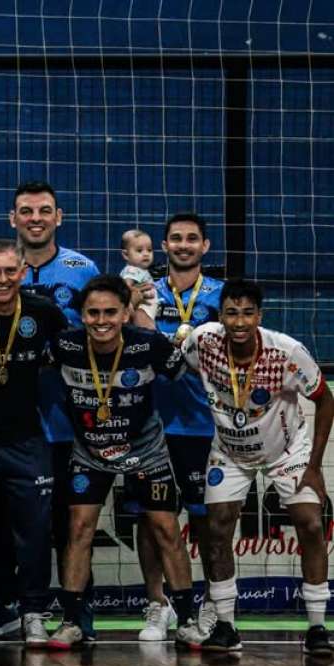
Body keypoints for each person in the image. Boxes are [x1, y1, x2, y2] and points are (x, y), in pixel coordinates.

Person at [0, 180, 102, 641]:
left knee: (67, 522)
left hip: (67, 420)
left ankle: (72, 611)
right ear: (13, 219)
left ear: (58, 217)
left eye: (45, 210)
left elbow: (100, 333)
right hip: (6, 424)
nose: (36, 219)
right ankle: (5, 605)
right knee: (2, 522)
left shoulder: (82, 270)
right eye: (26, 211)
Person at [181, 280, 334, 654]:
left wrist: (313, 467)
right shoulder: (203, 342)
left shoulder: (288, 352)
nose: (239, 322)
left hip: (287, 449)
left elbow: (326, 400)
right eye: (231, 313)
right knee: (215, 529)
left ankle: (316, 628)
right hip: (230, 451)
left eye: (247, 313)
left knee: (312, 524)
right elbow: (179, 353)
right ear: (221, 316)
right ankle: (226, 627)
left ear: (259, 316)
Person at [45, 276, 198, 649]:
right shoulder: (63, 346)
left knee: (165, 527)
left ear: (126, 313)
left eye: (110, 312)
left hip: (145, 449)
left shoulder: (149, 345)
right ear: (80, 315)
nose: (101, 320)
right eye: (93, 313)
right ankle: (72, 622)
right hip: (90, 452)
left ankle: (188, 620)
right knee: (79, 529)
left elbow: (189, 377)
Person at [138, 212, 224, 639]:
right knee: (151, 519)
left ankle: (213, 603)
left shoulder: (223, 296)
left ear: (205, 246)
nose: (184, 245)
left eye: (192, 239)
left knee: (207, 521)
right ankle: (157, 604)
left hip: (204, 426)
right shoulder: (144, 293)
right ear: (164, 246)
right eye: (176, 239)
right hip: (148, 426)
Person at [120, 228, 157, 321]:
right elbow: (126, 286)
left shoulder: (140, 270)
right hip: (141, 307)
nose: (146, 254)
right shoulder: (133, 270)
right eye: (139, 250)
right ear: (125, 255)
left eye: (149, 250)